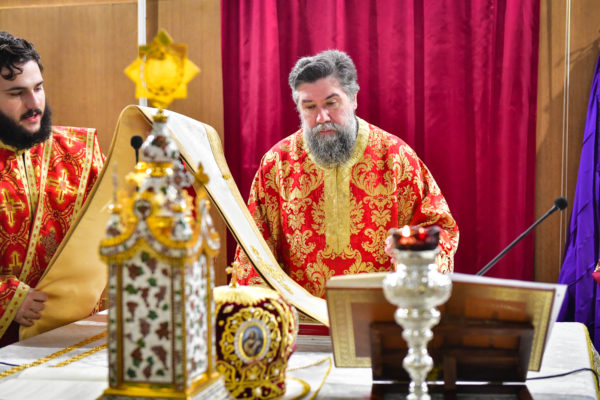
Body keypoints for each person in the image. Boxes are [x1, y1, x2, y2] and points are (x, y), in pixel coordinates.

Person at [234, 50, 459, 298]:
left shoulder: (397, 157)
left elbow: (440, 228)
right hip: (301, 317)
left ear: (353, 99)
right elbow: (253, 253)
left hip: (381, 311)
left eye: (331, 103)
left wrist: (414, 252)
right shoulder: (277, 164)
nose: (322, 118)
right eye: (310, 107)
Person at [0, 31, 104, 346]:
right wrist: (6, 298)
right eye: (17, 93)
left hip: (75, 333)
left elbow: (113, 228)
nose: (35, 104)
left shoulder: (79, 151)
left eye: (38, 88)